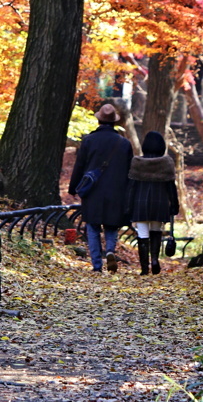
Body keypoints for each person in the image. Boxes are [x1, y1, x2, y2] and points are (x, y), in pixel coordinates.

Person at [68, 103, 133, 273]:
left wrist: (73, 188)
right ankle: (110, 252)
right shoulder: (124, 143)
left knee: (93, 226)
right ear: (114, 123)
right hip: (116, 191)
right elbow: (129, 171)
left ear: (99, 121)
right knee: (111, 225)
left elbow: (79, 166)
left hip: (93, 191)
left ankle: (97, 265)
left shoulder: (89, 140)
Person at [126, 130, 179, 275]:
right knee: (156, 230)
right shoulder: (167, 162)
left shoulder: (137, 162)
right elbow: (171, 187)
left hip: (140, 203)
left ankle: (144, 268)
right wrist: (174, 206)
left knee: (142, 233)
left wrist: (128, 207)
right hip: (160, 203)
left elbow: (131, 187)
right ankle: (155, 260)